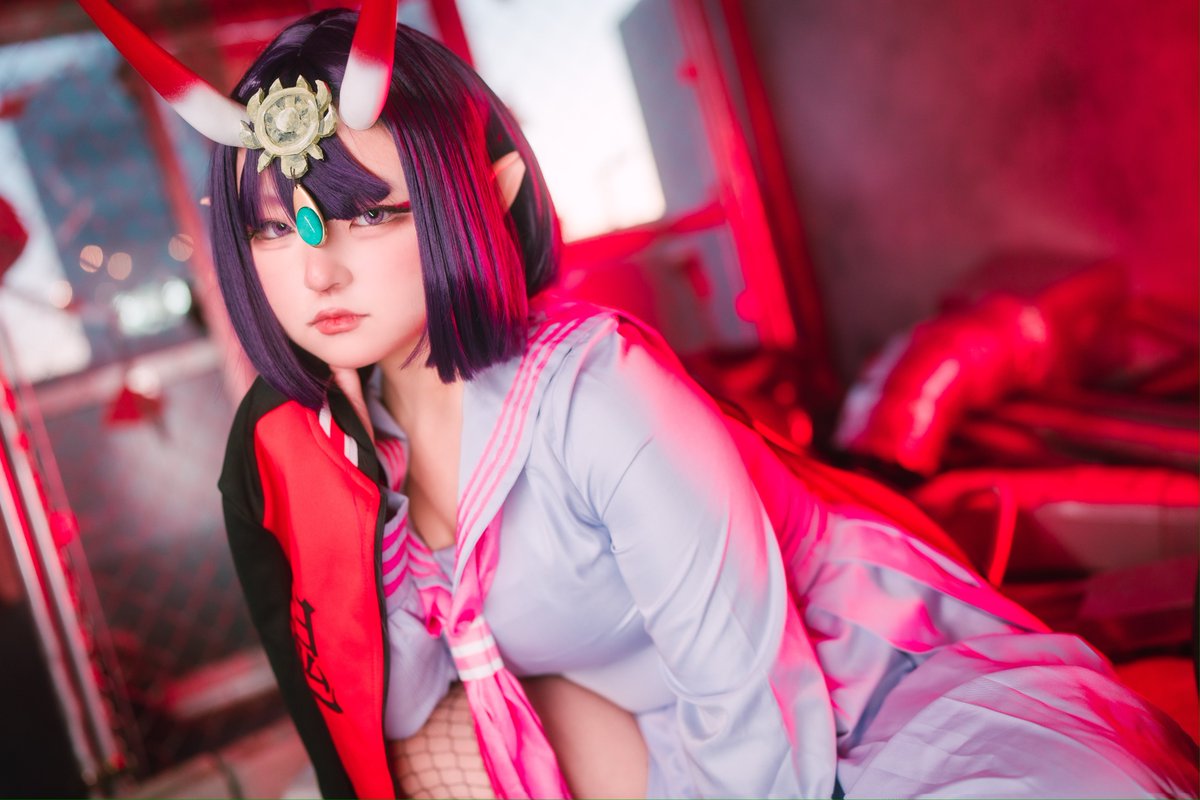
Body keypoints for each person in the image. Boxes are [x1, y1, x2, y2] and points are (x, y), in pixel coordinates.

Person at [82, 4, 1199, 798]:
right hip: (672, 753)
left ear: (488, 196)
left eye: (370, 212)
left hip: (886, 711)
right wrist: (350, 491)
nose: (316, 269)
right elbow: (402, 704)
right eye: (273, 229)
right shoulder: (354, 456)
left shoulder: (595, 389)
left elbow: (753, 700)